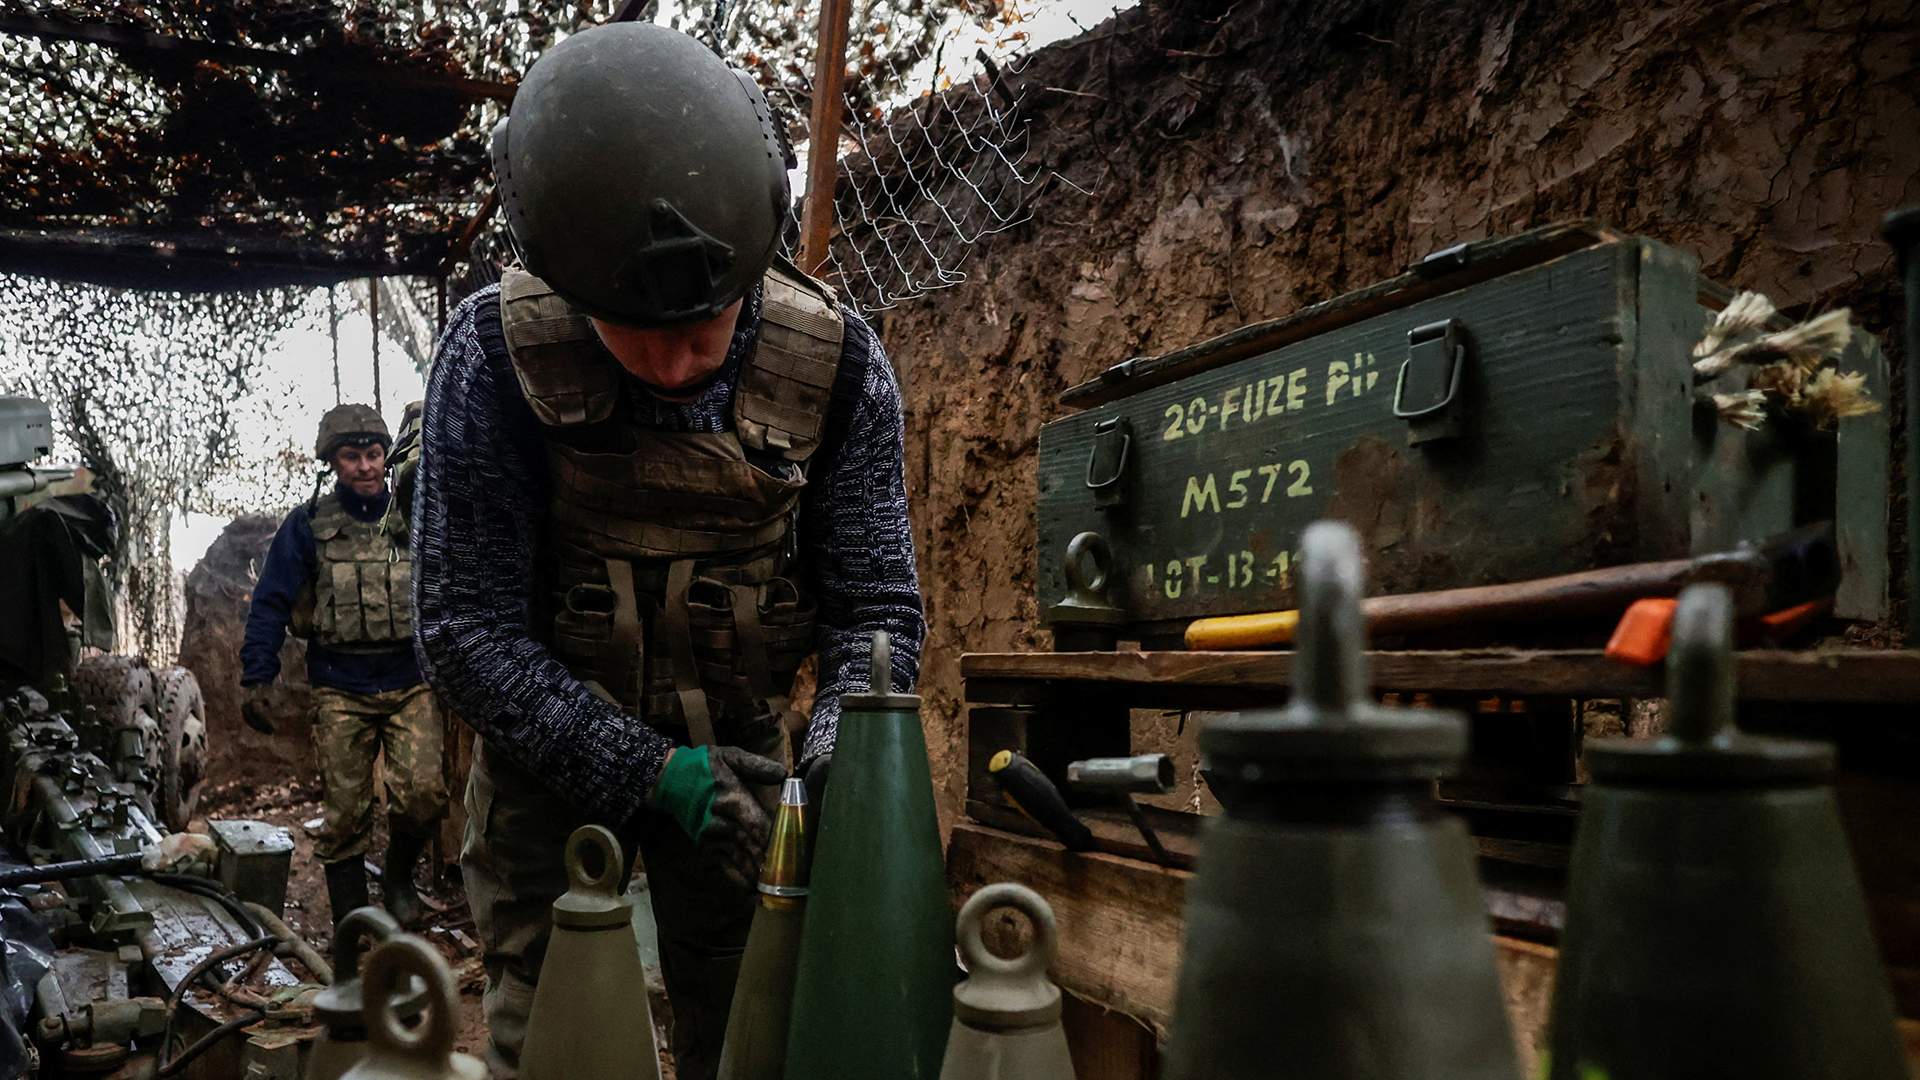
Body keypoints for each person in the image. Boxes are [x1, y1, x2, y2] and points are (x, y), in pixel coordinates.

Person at [410, 22, 924, 1080]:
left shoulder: (837, 366)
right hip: (548, 775)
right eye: (633, 330)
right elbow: (463, 630)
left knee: (752, 1034)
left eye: (705, 324)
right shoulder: (496, 355)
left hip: (743, 770)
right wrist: (646, 774)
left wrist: (837, 758)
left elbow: (876, 612)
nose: (678, 363)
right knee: (557, 1043)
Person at [240, 403, 445, 928]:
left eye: (374, 454)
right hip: (339, 687)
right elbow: (271, 601)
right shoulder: (308, 525)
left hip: (411, 682)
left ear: (387, 458)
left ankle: (398, 878)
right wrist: (258, 677)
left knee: (423, 796)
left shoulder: (415, 517)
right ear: (332, 462)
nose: (365, 466)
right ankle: (352, 926)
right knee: (346, 815)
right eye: (351, 457)